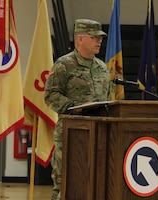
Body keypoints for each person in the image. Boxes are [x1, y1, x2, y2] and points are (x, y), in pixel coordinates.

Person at [44, 19, 113, 200]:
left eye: (100, 38)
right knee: (64, 183)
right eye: (94, 37)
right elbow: (50, 95)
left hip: (99, 134)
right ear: (80, 39)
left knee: (96, 182)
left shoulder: (102, 68)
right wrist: (75, 109)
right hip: (70, 134)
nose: (99, 41)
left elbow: (108, 98)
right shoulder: (64, 65)